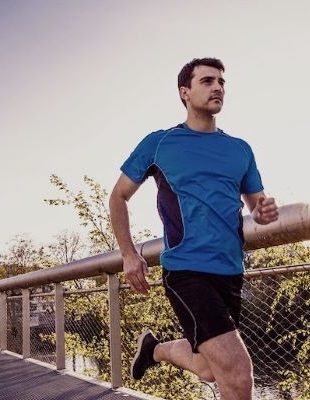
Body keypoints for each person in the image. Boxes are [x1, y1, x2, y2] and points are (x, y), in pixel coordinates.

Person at [109, 57, 279, 400]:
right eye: (207, 81)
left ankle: (154, 349)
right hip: (186, 269)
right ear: (185, 92)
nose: (217, 87)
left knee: (208, 368)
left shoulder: (239, 149)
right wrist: (129, 254)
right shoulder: (159, 142)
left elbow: (256, 205)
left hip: (230, 270)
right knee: (238, 373)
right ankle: (155, 349)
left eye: (221, 82)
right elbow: (118, 197)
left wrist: (264, 211)